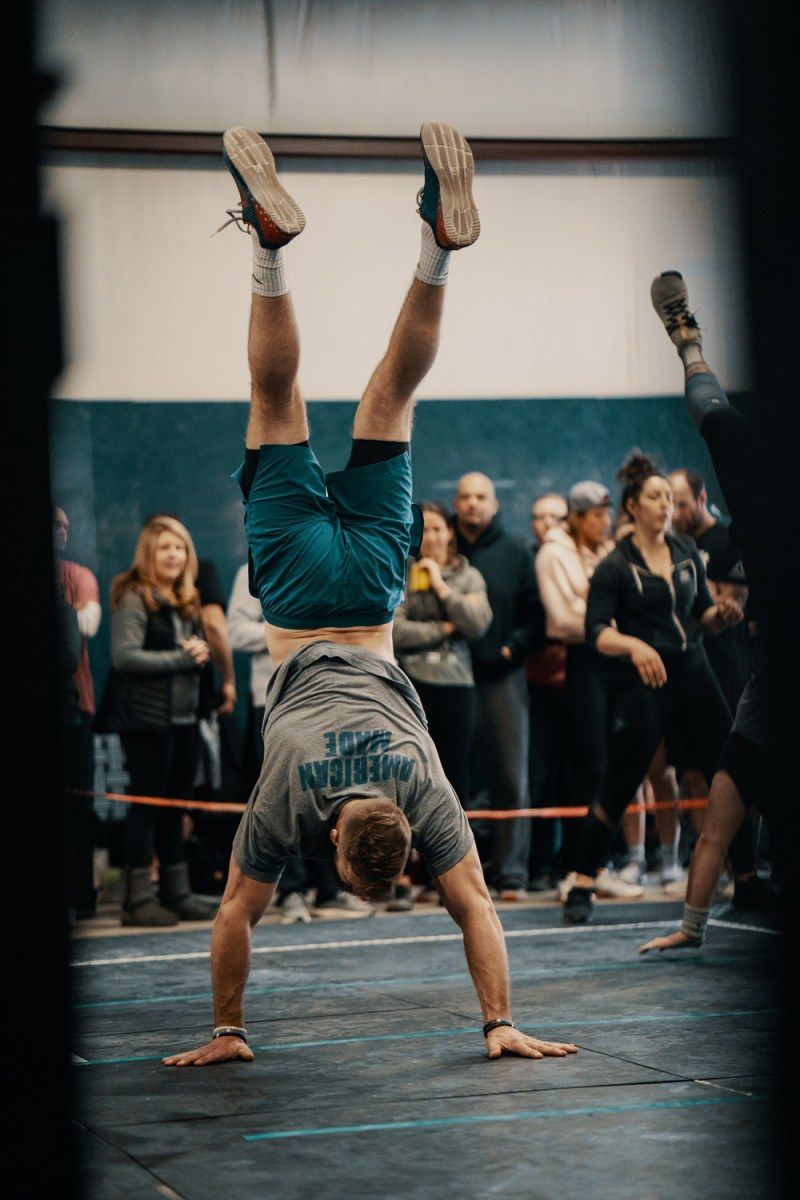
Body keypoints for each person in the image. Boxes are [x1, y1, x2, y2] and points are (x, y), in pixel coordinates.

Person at [164, 123, 578, 1067]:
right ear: (342, 847)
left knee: (390, 399)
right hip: (304, 604)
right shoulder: (288, 794)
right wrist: (228, 1030)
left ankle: (438, 242)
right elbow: (237, 914)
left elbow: (472, 904)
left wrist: (503, 1021)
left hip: (380, 587)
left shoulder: (428, 794)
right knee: (278, 404)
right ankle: (269, 253)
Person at [638, 272, 781, 954]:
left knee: (724, 794)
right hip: (772, 675)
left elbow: (710, 402)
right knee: (723, 792)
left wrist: (688, 345)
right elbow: (710, 407)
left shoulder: (751, 476)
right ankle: (692, 928)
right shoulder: (751, 473)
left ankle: (693, 925)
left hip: (770, 670)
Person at [563, 449, 743, 923]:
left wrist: (718, 615)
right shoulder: (616, 566)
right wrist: (635, 647)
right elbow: (595, 631)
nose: (666, 505)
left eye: (670, 497)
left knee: (728, 772)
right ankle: (582, 883)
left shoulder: (686, 552)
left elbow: (699, 611)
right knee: (621, 779)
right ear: (633, 507)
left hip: (696, 672)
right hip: (647, 681)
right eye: (656, 497)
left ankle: (746, 877)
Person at [227, 563, 372, 922]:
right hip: (273, 701)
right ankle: (290, 891)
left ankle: (329, 889)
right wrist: (290, 633)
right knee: (283, 798)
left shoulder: (333, 566)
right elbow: (235, 633)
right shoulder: (254, 569)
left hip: (327, 698)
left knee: (329, 793)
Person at [99, 516, 218, 926]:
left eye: (181, 547)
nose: (175, 555)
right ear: (149, 553)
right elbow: (125, 657)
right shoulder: (133, 595)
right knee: (146, 809)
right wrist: (183, 658)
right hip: (146, 722)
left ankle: (176, 892)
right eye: (166, 547)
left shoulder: (186, 599)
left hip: (185, 722)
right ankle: (136, 900)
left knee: (175, 808)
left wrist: (200, 652)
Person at [535, 481, 644, 902]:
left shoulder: (607, 554)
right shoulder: (554, 553)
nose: (604, 521)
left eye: (606, 513)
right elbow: (561, 620)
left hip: (613, 665)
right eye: (596, 514)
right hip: (583, 665)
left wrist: (604, 619)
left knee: (615, 765)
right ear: (577, 517)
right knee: (590, 767)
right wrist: (607, 624)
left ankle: (604, 863)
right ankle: (580, 868)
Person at [666, 467, 766, 908]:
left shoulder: (727, 542)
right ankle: (712, 869)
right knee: (690, 772)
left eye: (681, 502)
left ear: (701, 497)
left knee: (736, 772)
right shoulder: (673, 549)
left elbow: (734, 605)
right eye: (667, 502)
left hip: (729, 667)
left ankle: (745, 869)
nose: (673, 512)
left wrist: (703, 594)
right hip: (688, 669)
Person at [392, 502, 492, 907]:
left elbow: (478, 623)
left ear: (450, 533)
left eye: (437, 529)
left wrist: (442, 587)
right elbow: (394, 630)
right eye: (425, 530)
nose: (431, 537)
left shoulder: (468, 575)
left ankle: (447, 877)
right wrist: (443, 629)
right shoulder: (400, 571)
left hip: (457, 687)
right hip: (413, 686)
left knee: (454, 783)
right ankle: (402, 876)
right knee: (406, 781)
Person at [454, 472, 539, 901]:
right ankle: (448, 875)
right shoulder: (441, 551)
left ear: (494, 503)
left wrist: (509, 652)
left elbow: (534, 618)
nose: (472, 504)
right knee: (446, 781)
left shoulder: (517, 552)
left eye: (481, 497)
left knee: (510, 780)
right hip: (448, 682)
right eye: (465, 496)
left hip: (501, 681)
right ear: (456, 502)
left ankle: (511, 875)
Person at [54, 505, 102, 917]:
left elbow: (86, 625)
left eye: (66, 526)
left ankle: (79, 897)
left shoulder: (77, 575)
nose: (61, 532)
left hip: (75, 706)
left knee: (77, 806)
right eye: (54, 524)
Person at [525, 493, 569, 891]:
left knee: (575, 775)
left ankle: (572, 865)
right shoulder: (528, 561)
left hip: (577, 687)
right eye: (540, 517)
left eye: (556, 517)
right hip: (535, 689)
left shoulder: (575, 562)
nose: (548, 524)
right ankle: (539, 865)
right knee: (539, 778)